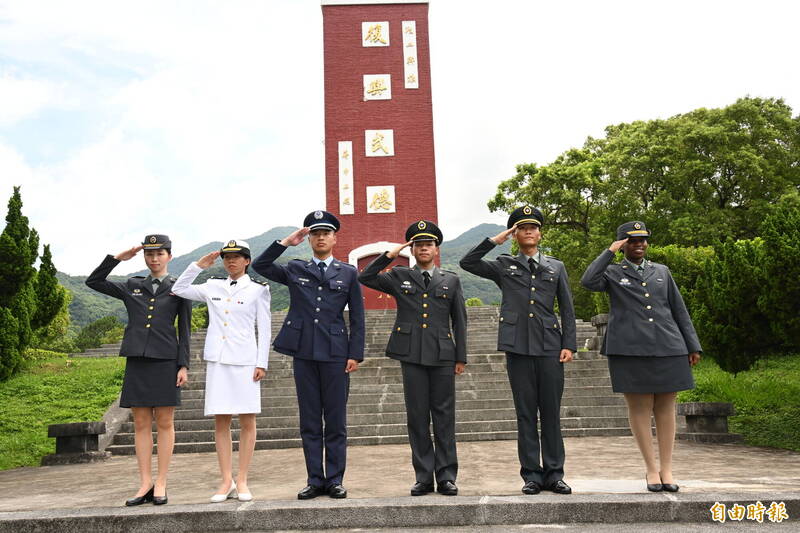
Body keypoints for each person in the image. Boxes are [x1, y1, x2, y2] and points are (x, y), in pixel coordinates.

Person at [460, 206, 576, 495]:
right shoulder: (504, 265)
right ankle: (532, 476)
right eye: (521, 227)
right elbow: (467, 262)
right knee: (526, 413)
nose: (528, 231)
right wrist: (495, 240)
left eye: (533, 227)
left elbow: (568, 308)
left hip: (550, 346)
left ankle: (554, 473)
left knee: (551, 412)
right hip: (518, 347)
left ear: (540, 233)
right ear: (515, 233)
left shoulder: (556, 267)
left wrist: (569, 344)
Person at [580, 221, 701, 493]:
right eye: (633, 240)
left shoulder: (662, 272)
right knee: (640, 408)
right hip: (629, 349)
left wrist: (692, 345)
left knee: (667, 407)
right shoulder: (612, 272)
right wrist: (609, 251)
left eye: (643, 240)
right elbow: (588, 281)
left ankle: (667, 469)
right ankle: (650, 469)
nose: (640, 244)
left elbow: (678, 310)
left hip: (669, 345)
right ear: (623, 243)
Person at [252, 210, 365, 500]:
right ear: (309, 239)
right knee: (310, 421)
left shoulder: (349, 273)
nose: (321, 237)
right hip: (303, 352)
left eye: (326, 233)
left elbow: (358, 318)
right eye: (315, 233)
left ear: (334, 238)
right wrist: (285, 242)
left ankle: (335, 480)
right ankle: (315, 479)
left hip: (337, 353)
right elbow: (261, 265)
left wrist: (355, 353)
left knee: (336, 421)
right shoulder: (295, 268)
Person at [358, 220, 467, 497]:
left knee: (444, 418)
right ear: (412, 249)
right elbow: (366, 277)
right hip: (412, 355)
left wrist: (461, 357)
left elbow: (460, 321)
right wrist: (390, 254)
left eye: (428, 244)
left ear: (436, 249)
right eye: (418, 245)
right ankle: (422, 477)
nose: (423, 249)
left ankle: (446, 477)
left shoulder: (451, 280)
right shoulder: (399, 276)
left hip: (443, 355)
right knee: (417, 418)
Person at [85, 234, 191, 506]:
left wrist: (184, 365)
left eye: (159, 254)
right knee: (141, 423)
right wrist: (118, 259)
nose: (154, 259)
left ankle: (162, 482)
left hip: (166, 360)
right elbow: (94, 281)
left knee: (165, 422)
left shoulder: (180, 287)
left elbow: (185, 330)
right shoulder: (132, 285)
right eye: (149, 254)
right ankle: (144, 482)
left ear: (169, 255)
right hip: (138, 360)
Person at [171, 239, 270, 502]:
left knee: (248, 420)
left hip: (247, 361)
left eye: (237, 257)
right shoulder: (212, 285)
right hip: (218, 360)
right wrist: (197, 266)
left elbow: (265, 326)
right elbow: (178, 288)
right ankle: (226, 480)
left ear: (247, 261)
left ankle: (243, 479)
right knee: (221, 421)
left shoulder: (258, 290)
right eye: (227, 257)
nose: (231, 261)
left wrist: (262, 362)